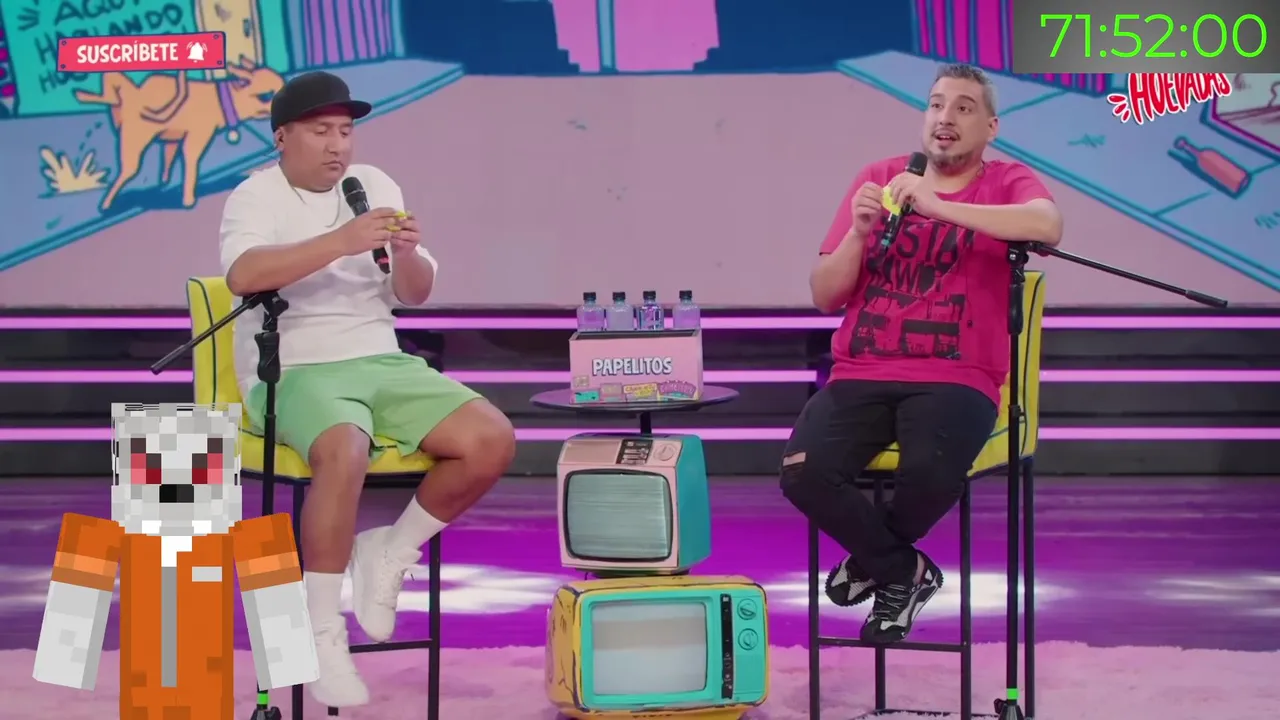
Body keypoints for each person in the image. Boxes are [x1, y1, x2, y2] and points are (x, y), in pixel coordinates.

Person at [219, 71, 516, 706]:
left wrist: (406, 255)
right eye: (321, 131)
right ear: (282, 137)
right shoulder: (255, 195)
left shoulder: (374, 184)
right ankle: (321, 632)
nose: (338, 145)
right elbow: (244, 275)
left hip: (381, 360)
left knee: (490, 438)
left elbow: (414, 294)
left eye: (346, 131)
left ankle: (390, 549)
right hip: (294, 367)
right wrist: (340, 241)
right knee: (344, 446)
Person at [780, 64, 1063, 645]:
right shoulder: (880, 178)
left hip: (957, 375)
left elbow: (1047, 225)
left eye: (963, 107)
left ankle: (874, 564)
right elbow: (825, 295)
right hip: (862, 369)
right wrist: (859, 232)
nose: (945, 117)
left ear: (990, 127)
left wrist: (937, 206)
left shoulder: (1005, 180)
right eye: (936, 104)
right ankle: (903, 571)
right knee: (804, 473)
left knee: (930, 472)